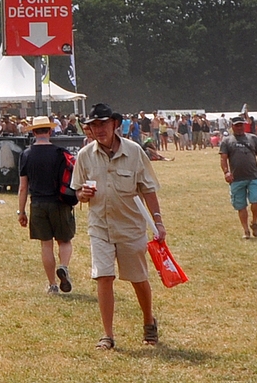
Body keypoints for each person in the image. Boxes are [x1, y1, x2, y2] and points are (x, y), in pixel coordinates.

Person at [74, 103, 166, 349]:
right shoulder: (85, 156)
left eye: (103, 124)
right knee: (103, 276)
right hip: (100, 227)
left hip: (130, 228)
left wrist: (158, 222)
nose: (99, 129)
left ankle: (148, 321)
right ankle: (107, 335)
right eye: (94, 125)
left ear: (115, 124)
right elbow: (78, 191)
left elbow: (148, 190)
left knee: (138, 278)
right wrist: (82, 195)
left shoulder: (134, 152)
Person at [15, 116, 74, 292]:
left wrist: (21, 211)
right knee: (64, 241)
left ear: (33, 132)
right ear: (49, 131)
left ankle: (52, 285)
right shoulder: (59, 153)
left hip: (38, 203)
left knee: (46, 244)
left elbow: (23, 187)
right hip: (59, 202)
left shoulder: (26, 154)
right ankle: (63, 266)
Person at [218, 113, 257, 239]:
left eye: (241, 125)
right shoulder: (227, 141)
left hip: (253, 176)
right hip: (236, 178)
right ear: (232, 127)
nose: (239, 128)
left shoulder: (253, 138)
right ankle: (246, 230)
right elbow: (223, 158)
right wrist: (226, 172)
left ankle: (254, 222)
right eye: (237, 126)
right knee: (241, 206)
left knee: (256, 201)